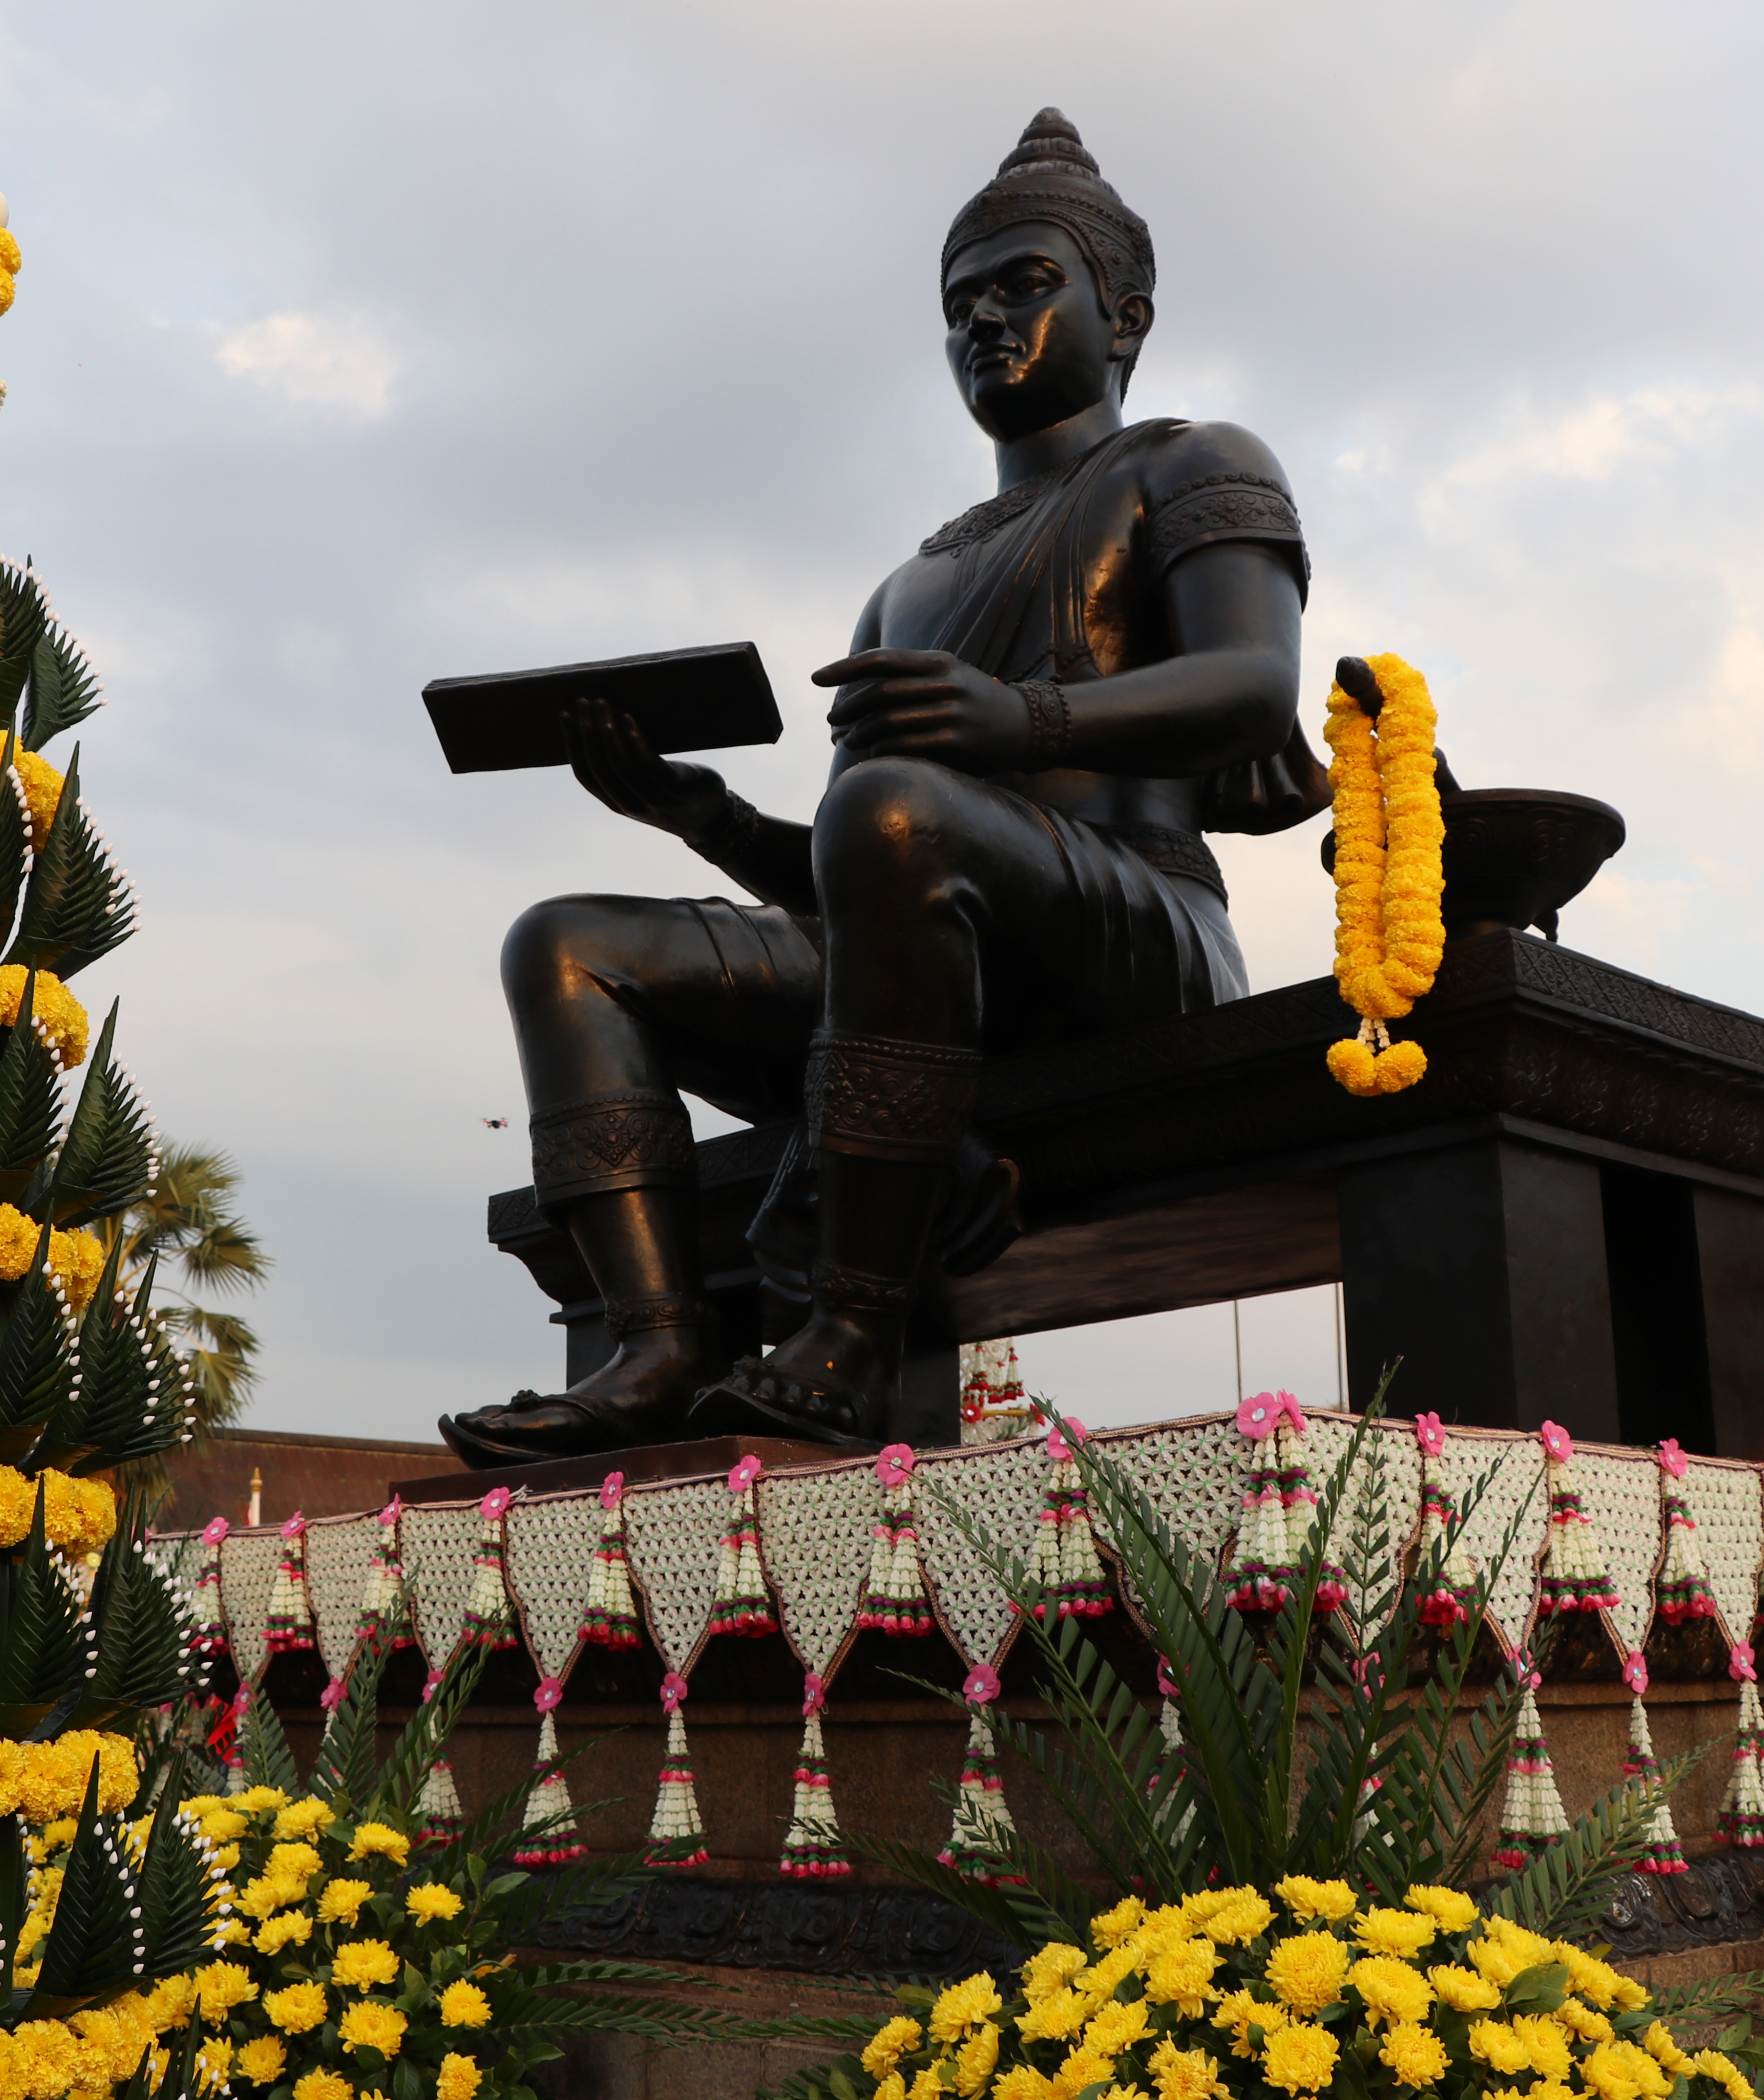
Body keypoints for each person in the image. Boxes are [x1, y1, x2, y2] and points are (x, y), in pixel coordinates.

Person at [442, 110, 1329, 1464]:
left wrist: (1017, 716)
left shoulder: (1192, 464)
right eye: (961, 303)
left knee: (896, 806)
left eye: (1027, 286)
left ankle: (848, 1333)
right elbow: (863, 888)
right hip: (926, 939)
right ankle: (663, 1341)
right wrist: (704, 817)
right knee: (565, 945)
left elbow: (1254, 687)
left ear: (1127, 314)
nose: (987, 322)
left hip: (1137, 930)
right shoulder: (907, 584)